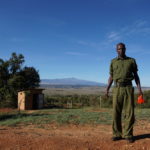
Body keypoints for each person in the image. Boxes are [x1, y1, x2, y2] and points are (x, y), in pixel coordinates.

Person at [105, 43, 143, 143]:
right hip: (117, 89)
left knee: (129, 112)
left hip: (128, 88)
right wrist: (107, 89)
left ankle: (128, 134)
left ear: (125, 49)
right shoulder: (113, 62)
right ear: (116, 50)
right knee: (116, 112)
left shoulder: (131, 61)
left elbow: (136, 76)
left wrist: (139, 89)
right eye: (119, 49)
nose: (121, 50)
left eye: (122, 49)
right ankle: (117, 134)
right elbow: (111, 77)